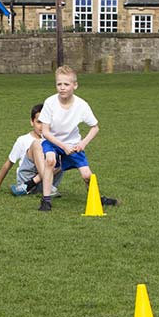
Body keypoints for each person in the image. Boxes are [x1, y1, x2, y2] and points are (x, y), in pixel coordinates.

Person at [37, 66, 117, 212]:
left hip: (73, 144)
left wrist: (83, 143)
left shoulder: (82, 105)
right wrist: (62, 146)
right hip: (52, 141)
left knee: (87, 175)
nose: (62, 88)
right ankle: (46, 200)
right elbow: (46, 132)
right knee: (50, 161)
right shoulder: (49, 102)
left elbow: (95, 127)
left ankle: (97, 198)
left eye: (66, 84)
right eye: (59, 84)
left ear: (75, 85)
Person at [0, 104, 63, 196]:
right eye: (39, 122)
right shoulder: (23, 140)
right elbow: (8, 163)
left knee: (64, 155)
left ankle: (38, 185)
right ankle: (36, 186)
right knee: (37, 144)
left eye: (45, 123)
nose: (42, 126)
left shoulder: (54, 139)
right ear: (32, 122)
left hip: (43, 184)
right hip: (25, 180)